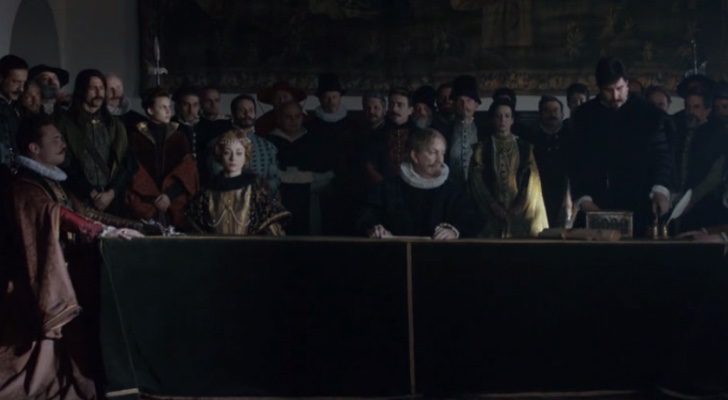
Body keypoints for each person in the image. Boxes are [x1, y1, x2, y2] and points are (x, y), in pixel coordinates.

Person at [0, 114, 143, 400]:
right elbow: (58, 215)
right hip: (29, 282)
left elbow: (85, 212)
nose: (62, 144)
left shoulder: (52, 181)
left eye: (62, 138)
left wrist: (135, 226)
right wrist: (102, 231)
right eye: (55, 139)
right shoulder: (25, 186)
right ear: (34, 149)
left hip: (65, 272)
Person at [570, 57, 672, 236]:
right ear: (599, 88)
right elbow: (575, 161)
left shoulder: (649, 114)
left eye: (619, 88)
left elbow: (661, 156)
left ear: (627, 84)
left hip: (640, 203)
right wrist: (584, 199)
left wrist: (660, 190)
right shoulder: (583, 117)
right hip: (596, 204)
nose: (615, 96)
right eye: (608, 91)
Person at [358, 128, 478, 239]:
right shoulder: (388, 188)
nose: (440, 160)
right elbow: (366, 216)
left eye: (442, 153)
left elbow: (469, 219)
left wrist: (453, 231)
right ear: (415, 156)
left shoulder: (453, 191)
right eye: (433, 153)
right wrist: (375, 228)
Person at [57, 69, 136, 216]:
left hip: (113, 200)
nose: (99, 93)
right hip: (78, 199)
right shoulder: (65, 124)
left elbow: (127, 163)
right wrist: (91, 193)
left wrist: (111, 193)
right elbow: (66, 163)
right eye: (93, 88)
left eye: (101, 88)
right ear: (82, 90)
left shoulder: (115, 125)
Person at [469, 98, 548, 238]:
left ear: (512, 120)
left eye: (506, 116)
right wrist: (493, 205)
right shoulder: (482, 148)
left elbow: (532, 180)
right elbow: (476, 180)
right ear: (492, 120)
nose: (502, 120)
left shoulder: (524, 147)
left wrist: (518, 206)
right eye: (498, 116)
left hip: (520, 211)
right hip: (489, 212)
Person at [187, 130, 289, 235]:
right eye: (227, 152)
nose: (233, 158)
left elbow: (270, 226)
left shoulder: (257, 188)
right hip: (215, 245)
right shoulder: (207, 191)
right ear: (220, 155)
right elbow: (196, 228)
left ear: (246, 156)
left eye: (239, 153)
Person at [126, 87, 199, 228]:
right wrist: (154, 197)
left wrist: (168, 196)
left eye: (169, 107)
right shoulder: (136, 138)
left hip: (173, 201)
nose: (168, 111)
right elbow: (133, 171)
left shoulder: (179, 137)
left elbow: (188, 172)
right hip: (145, 202)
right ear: (150, 110)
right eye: (163, 107)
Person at [268, 101, 333, 235]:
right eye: (288, 117)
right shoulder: (269, 142)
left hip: (309, 198)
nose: (294, 121)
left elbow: (326, 173)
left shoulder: (314, 140)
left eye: (297, 116)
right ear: (279, 119)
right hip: (278, 200)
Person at [206, 94, 279, 191]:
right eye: (242, 110)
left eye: (251, 110)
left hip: (261, 197)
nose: (247, 114)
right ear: (233, 114)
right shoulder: (218, 144)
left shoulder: (268, 146)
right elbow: (217, 176)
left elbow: (275, 178)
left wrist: (263, 189)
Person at [530, 95, 571, 227]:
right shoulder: (531, 138)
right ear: (540, 114)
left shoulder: (571, 137)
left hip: (565, 192)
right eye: (547, 110)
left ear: (562, 114)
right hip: (538, 193)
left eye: (555, 110)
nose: (552, 114)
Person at [0, 54, 28, 167]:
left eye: (23, 83)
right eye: (15, 82)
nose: (21, 89)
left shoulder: (17, 107)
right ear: (1, 78)